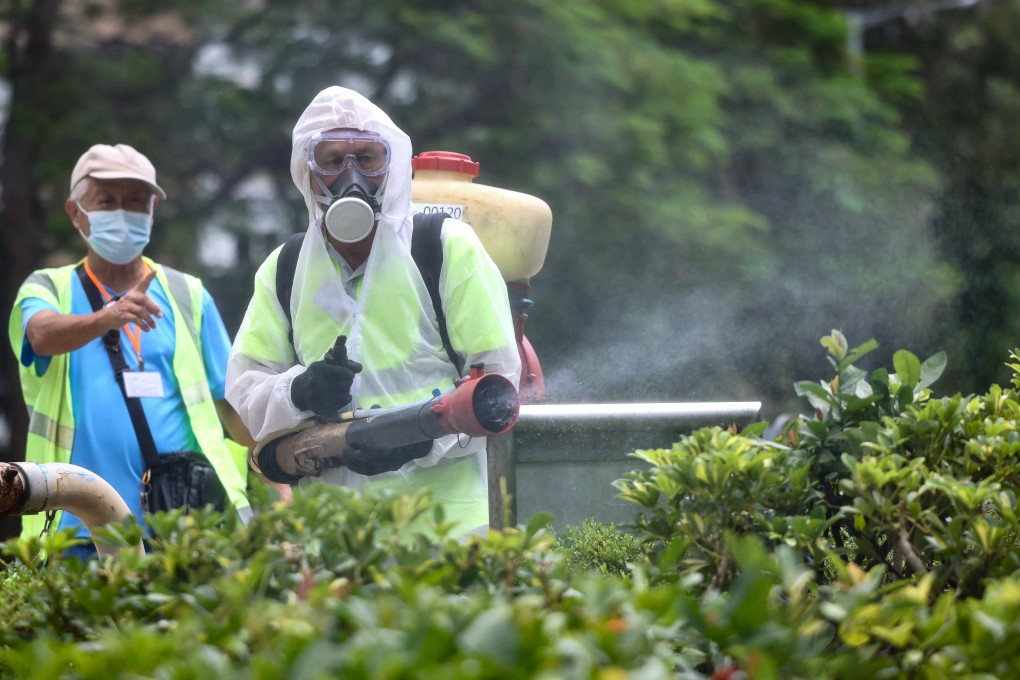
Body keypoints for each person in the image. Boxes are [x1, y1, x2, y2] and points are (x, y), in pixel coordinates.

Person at [227, 86, 520, 536]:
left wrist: (417, 440)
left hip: (449, 531)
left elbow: (497, 389)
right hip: (335, 538)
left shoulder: (444, 248)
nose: (351, 175)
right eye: (332, 160)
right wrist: (300, 392)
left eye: (367, 159)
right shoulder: (284, 269)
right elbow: (245, 398)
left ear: (394, 167)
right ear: (307, 173)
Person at [8, 143, 251, 557]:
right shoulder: (47, 286)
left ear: (152, 211)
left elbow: (232, 402)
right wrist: (108, 316)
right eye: (107, 201)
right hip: (76, 526)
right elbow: (41, 336)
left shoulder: (187, 294)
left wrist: (279, 473)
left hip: (181, 525)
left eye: (136, 201)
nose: (123, 212)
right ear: (75, 212)